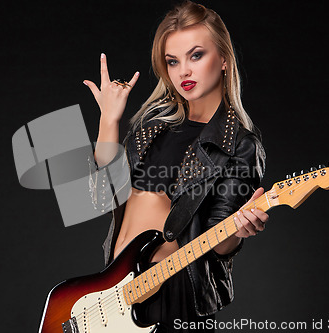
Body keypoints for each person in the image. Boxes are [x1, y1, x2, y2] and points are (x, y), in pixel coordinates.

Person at [83, 1, 268, 332]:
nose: (183, 70)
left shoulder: (240, 145)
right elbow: (102, 196)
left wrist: (238, 232)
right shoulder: (153, 126)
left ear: (223, 60)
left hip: (174, 295)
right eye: (173, 61)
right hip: (114, 289)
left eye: (196, 55)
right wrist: (108, 120)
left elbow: (218, 242)